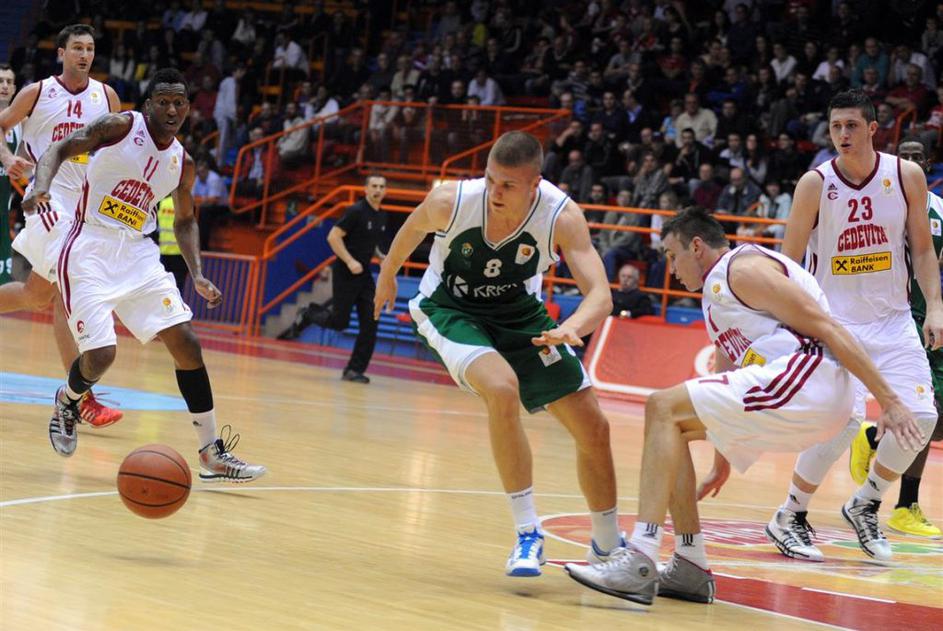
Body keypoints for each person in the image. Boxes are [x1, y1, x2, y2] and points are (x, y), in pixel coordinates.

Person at [565, 207, 924, 605]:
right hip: (797, 390)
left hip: (810, 378)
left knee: (660, 406)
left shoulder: (743, 270)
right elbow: (726, 371)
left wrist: (888, 399)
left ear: (696, 246)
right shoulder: (717, 295)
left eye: (672, 255)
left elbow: (828, 327)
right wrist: (721, 458)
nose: (670, 268)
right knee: (672, 424)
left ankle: (640, 557)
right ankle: (689, 565)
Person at [374, 131, 623, 577]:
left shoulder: (561, 216)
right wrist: (387, 275)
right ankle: (528, 533)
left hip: (519, 314)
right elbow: (411, 229)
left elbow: (600, 296)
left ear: (535, 184)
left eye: (508, 185)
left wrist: (573, 326)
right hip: (449, 308)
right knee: (502, 388)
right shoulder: (452, 201)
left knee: (594, 425)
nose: (495, 192)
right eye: (491, 179)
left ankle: (607, 547)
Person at [26, 68, 266, 483]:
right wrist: (39, 186)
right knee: (102, 355)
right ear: (149, 104)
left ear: (188, 108)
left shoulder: (182, 162)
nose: (172, 110)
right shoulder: (120, 126)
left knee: (186, 343)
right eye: (164, 102)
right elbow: (60, 148)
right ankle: (68, 400)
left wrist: (198, 273)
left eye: (180, 103)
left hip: (138, 253)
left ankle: (210, 451)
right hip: (88, 247)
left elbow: (186, 221)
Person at [764, 90, 942, 563]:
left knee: (922, 418)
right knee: (841, 423)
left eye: (851, 125)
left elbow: (923, 250)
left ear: (872, 129)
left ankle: (865, 502)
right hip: (834, 324)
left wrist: (936, 307)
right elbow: (789, 263)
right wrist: (791, 325)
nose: (842, 134)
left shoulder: (905, 176)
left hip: (893, 320)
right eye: (835, 126)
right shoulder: (815, 184)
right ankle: (789, 513)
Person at [0, 24, 123, 427]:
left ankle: (78, 393)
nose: (84, 55)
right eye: (77, 48)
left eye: (89, 48)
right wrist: (8, 159)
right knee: (70, 291)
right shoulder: (36, 92)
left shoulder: (106, 97)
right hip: (47, 200)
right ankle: (80, 397)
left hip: (85, 207)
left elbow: (118, 149)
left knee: (38, 295)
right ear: (61, 53)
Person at [846, 140, 943, 538]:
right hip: (890, 318)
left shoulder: (939, 211)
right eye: (905, 156)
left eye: (918, 157)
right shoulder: (873, 203)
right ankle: (904, 506)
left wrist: (937, 307)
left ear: (928, 163)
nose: (911, 162)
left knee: (935, 418)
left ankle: (873, 437)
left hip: (928, 315)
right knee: (925, 411)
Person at [279, 175, 388, 384]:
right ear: (366, 189)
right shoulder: (356, 211)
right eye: (374, 186)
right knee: (339, 322)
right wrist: (350, 261)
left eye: (381, 187)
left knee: (371, 323)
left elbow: (369, 242)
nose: (377, 190)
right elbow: (333, 237)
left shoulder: (381, 215)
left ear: (385, 191)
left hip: (364, 275)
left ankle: (353, 370)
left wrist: (380, 256)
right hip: (345, 272)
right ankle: (309, 313)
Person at [0, 64, 19, 285]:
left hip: (3, 212)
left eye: (9, 82)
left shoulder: (21, 123)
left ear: (14, 89)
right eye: (0, 81)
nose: (4, 86)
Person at [156, 195, 188, 294]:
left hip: (163, 250)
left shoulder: (163, 203)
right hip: (180, 252)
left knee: (162, 286)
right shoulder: (185, 203)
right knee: (177, 287)